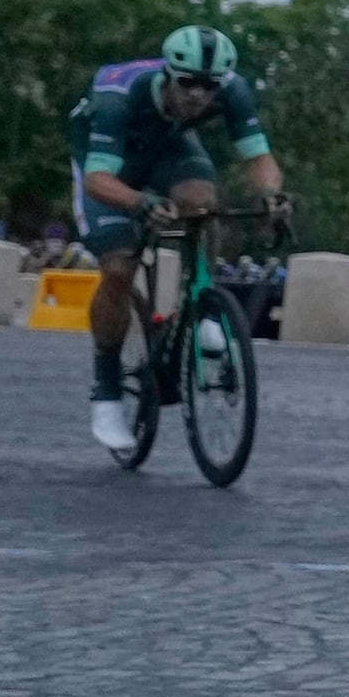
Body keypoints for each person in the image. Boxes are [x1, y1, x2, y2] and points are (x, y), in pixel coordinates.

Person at [69, 25, 290, 452]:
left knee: (202, 201)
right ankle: (108, 387)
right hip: (106, 160)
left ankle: (203, 307)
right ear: (168, 74)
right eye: (187, 83)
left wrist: (270, 195)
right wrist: (139, 203)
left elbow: (260, 157)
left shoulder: (233, 90)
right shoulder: (120, 95)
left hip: (168, 146)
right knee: (118, 265)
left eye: (209, 87)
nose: (198, 96)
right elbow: (98, 180)